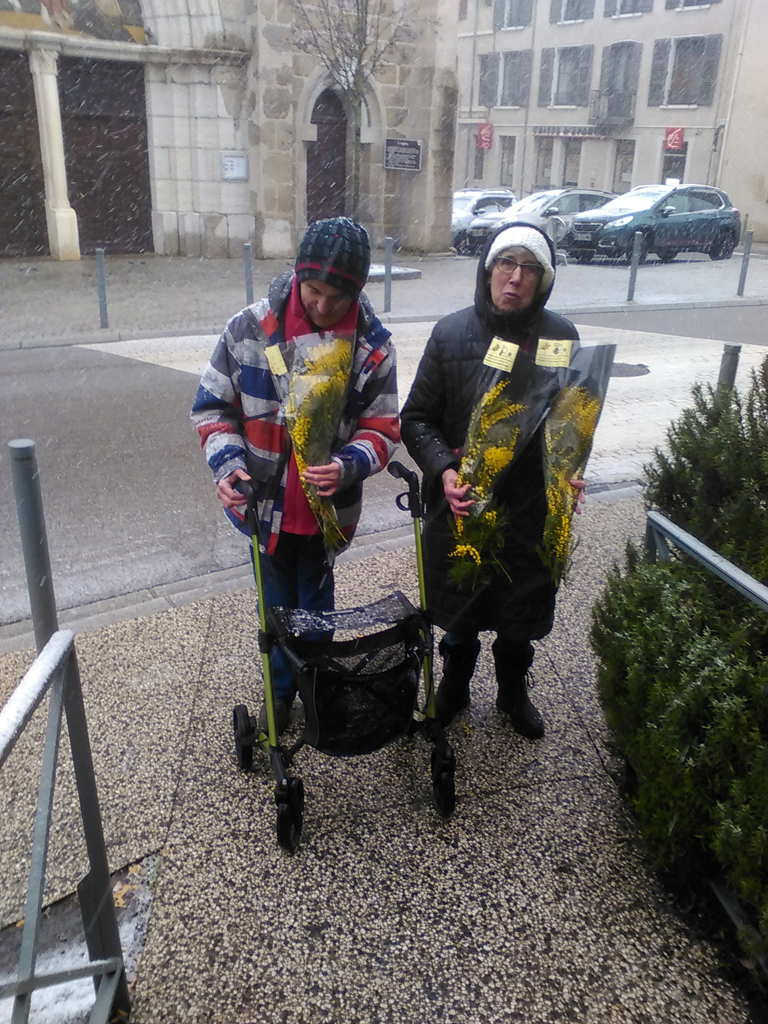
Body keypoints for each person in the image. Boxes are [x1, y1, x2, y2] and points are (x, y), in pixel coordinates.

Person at [192, 217, 400, 733]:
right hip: (263, 509)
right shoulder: (249, 329)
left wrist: (351, 463)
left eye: (337, 296)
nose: (323, 306)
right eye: (313, 291)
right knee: (275, 606)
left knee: (317, 610)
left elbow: (383, 426)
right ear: (298, 276)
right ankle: (281, 693)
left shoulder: (371, 346)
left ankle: (317, 687)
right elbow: (213, 408)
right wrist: (228, 464)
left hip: (327, 515)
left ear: (358, 290)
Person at [400, 222, 583, 739]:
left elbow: (571, 421)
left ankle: (512, 691)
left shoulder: (561, 337)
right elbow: (416, 419)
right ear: (487, 271)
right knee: (462, 606)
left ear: (543, 281)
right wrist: (445, 468)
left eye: (529, 268)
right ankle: (454, 685)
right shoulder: (451, 333)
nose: (515, 278)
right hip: (464, 503)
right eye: (506, 263)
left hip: (530, 507)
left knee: (519, 611)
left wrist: (569, 471)